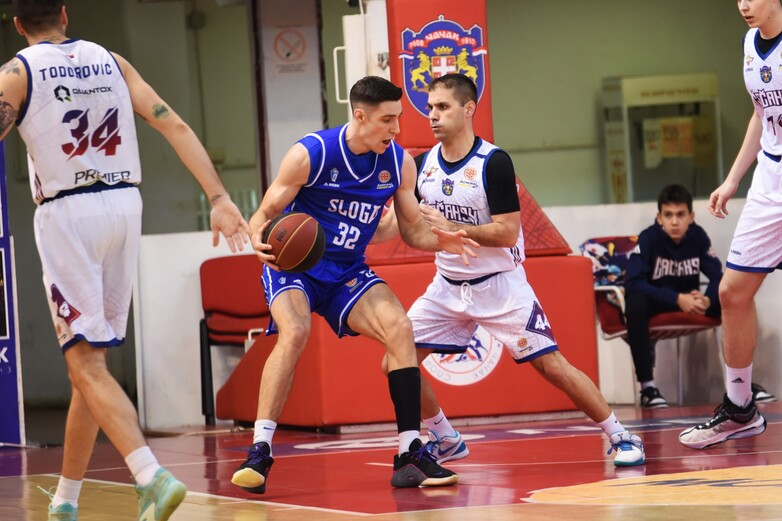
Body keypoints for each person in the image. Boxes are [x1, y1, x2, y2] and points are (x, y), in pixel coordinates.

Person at [0, 2, 250, 520]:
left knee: (85, 362)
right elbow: (173, 124)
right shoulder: (111, 60)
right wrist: (220, 197)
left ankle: (150, 475)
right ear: (65, 13)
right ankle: (66, 500)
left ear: (17, 24)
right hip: (124, 206)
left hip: (68, 214)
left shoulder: (16, 74)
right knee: (90, 363)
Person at [378, 73, 646, 467]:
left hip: (500, 286)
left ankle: (621, 435)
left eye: (443, 107)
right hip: (447, 286)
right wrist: (343, 232)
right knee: (395, 361)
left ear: (468, 109)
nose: (432, 115)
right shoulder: (421, 166)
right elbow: (393, 225)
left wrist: (453, 228)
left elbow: (506, 233)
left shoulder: (494, 163)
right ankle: (445, 437)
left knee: (552, 367)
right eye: (430, 107)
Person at [230, 75, 477, 493]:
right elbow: (265, 213)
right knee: (295, 331)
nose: (396, 129)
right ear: (360, 116)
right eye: (387, 120)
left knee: (399, 327)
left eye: (398, 118)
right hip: (296, 266)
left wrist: (444, 238)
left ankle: (410, 453)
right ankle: (260, 451)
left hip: (346, 271)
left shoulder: (398, 163)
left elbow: (411, 230)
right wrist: (257, 235)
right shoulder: (311, 153)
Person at [679, 0, 782, 449]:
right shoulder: (749, 43)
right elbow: (761, 114)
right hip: (769, 181)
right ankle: (740, 408)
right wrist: (733, 178)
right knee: (732, 292)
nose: (744, 4)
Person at [623, 184, 723, 408]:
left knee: (732, 299)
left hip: (691, 303)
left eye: (680, 214)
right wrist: (677, 298)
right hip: (657, 302)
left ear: (691, 216)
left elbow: (719, 276)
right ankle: (647, 388)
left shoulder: (698, 237)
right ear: (659, 218)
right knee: (635, 304)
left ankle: (742, 384)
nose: (675, 222)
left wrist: (708, 299)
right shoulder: (648, 238)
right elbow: (633, 283)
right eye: (668, 215)